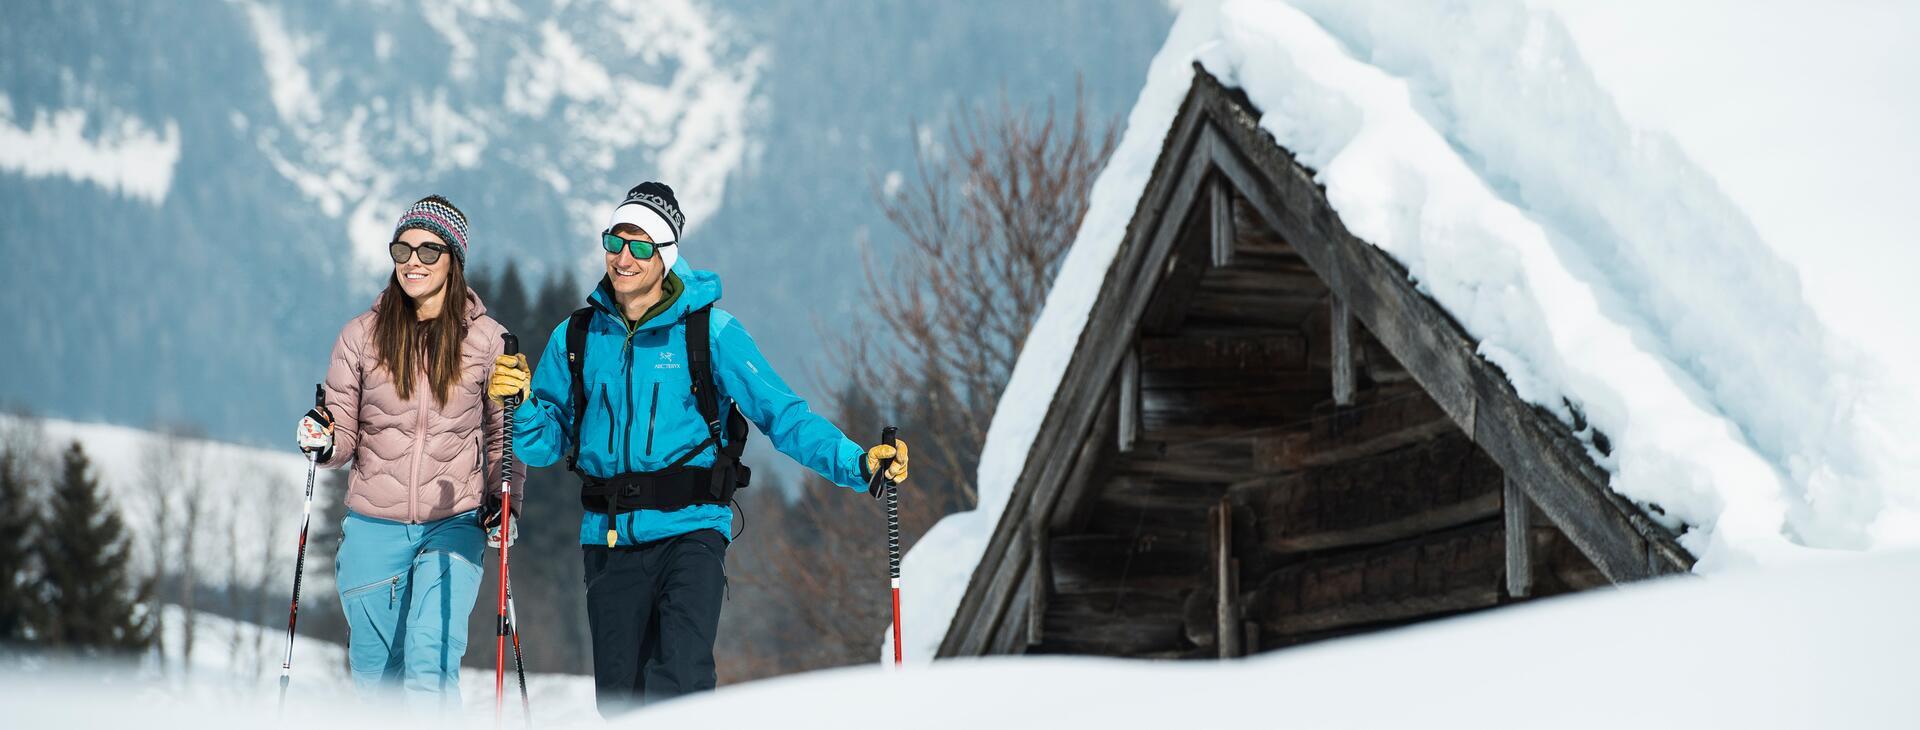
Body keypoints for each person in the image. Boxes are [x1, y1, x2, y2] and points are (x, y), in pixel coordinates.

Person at [488, 182, 908, 715]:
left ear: (666, 256)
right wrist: (521, 402)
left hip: (691, 533)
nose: (624, 258)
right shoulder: (576, 336)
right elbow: (545, 444)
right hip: (608, 540)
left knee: (679, 688)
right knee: (620, 702)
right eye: (615, 242)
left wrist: (857, 463)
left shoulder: (710, 332)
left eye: (641, 246)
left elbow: (784, 415)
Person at [295, 195, 520, 710]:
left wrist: (505, 505)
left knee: (430, 661)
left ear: (454, 260)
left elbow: (503, 437)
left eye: (428, 250)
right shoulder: (361, 337)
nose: (412, 261)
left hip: (454, 522)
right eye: (402, 249)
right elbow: (342, 433)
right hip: (374, 527)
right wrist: (323, 438)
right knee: (379, 682)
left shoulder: (489, 343)